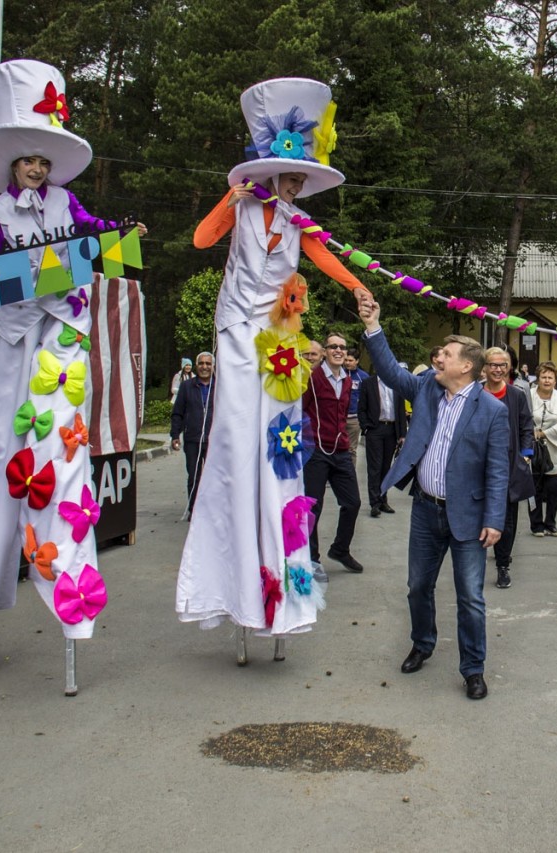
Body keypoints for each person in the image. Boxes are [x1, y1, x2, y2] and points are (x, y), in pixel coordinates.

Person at [0, 59, 145, 646]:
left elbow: (93, 234)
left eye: (44, 162)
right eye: (29, 162)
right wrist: (25, 274)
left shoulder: (66, 205)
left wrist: (120, 235)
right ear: (12, 167)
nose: (37, 170)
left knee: (58, 443)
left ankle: (66, 558)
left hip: (62, 336)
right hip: (17, 336)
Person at [175, 78, 372, 637]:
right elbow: (199, 240)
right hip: (237, 329)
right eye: (286, 178)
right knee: (237, 430)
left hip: (280, 336)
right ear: (267, 175)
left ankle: (281, 536)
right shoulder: (243, 210)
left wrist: (356, 287)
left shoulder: (298, 223)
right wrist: (227, 199)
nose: (291, 187)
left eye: (298, 180)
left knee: (279, 437)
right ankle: (234, 516)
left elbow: (326, 258)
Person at [358, 297, 509, 701]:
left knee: (471, 598)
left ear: (466, 367)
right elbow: (389, 371)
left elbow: (498, 469)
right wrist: (373, 324)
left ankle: (473, 669)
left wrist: (495, 518)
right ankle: (422, 643)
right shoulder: (426, 386)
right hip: (426, 509)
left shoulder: (492, 411)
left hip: (469, 516)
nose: (437, 357)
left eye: (445, 353)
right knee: (417, 586)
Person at [302, 332, 364, 575]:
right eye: (333, 347)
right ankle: (312, 559)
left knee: (353, 503)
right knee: (312, 508)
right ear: (325, 351)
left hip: (340, 450)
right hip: (316, 450)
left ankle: (340, 549)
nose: (339, 351)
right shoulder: (312, 378)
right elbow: (300, 409)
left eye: (343, 347)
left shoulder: (347, 381)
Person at [482, 347, 535, 589]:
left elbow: (526, 426)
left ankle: (503, 565)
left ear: (509, 368)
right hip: (478, 467)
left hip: (509, 467)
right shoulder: (476, 394)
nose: (498, 369)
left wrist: (525, 455)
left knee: (507, 520)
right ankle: (473, 564)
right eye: (493, 364)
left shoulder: (516, 396)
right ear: (484, 367)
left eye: (502, 365)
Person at [358, 362, 408, 519]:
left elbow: (400, 410)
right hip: (375, 429)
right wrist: (366, 427)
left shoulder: (396, 384)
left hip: (392, 430)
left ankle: (383, 499)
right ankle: (374, 503)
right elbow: (362, 408)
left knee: (387, 467)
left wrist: (402, 433)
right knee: (375, 467)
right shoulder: (368, 383)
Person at [527, 362, 557, 537]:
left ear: (555, 379)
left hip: (554, 448)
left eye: (550, 377)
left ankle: (550, 523)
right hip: (533, 448)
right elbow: (524, 418)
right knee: (534, 489)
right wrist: (532, 434)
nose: (546, 380)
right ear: (538, 378)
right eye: (543, 377)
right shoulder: (528, 395)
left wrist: (544, 433)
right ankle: (536, 524)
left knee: (554, 489)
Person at [170, 352, 215, 514]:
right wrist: (175, 435)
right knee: (194, 476)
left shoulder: (220, 387)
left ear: (213, 366)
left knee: (214, 476)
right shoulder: (187, 386)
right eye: (201, 363)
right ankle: (194, 510)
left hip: (214, 440)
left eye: (208, 364)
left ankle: (212, 511)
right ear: (197, 365)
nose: (205, 367)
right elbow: (178, 413)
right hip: (192, 438)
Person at [344, 344, 369, 466]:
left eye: (351, 360)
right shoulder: (338, 373)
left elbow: (368, 398)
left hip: (354, 419)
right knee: (334, 447)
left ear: (357, 361)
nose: (348, 363)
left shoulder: (363, 377)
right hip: (338, 418)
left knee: (351, 449)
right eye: (346, 360)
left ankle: (350, 475)